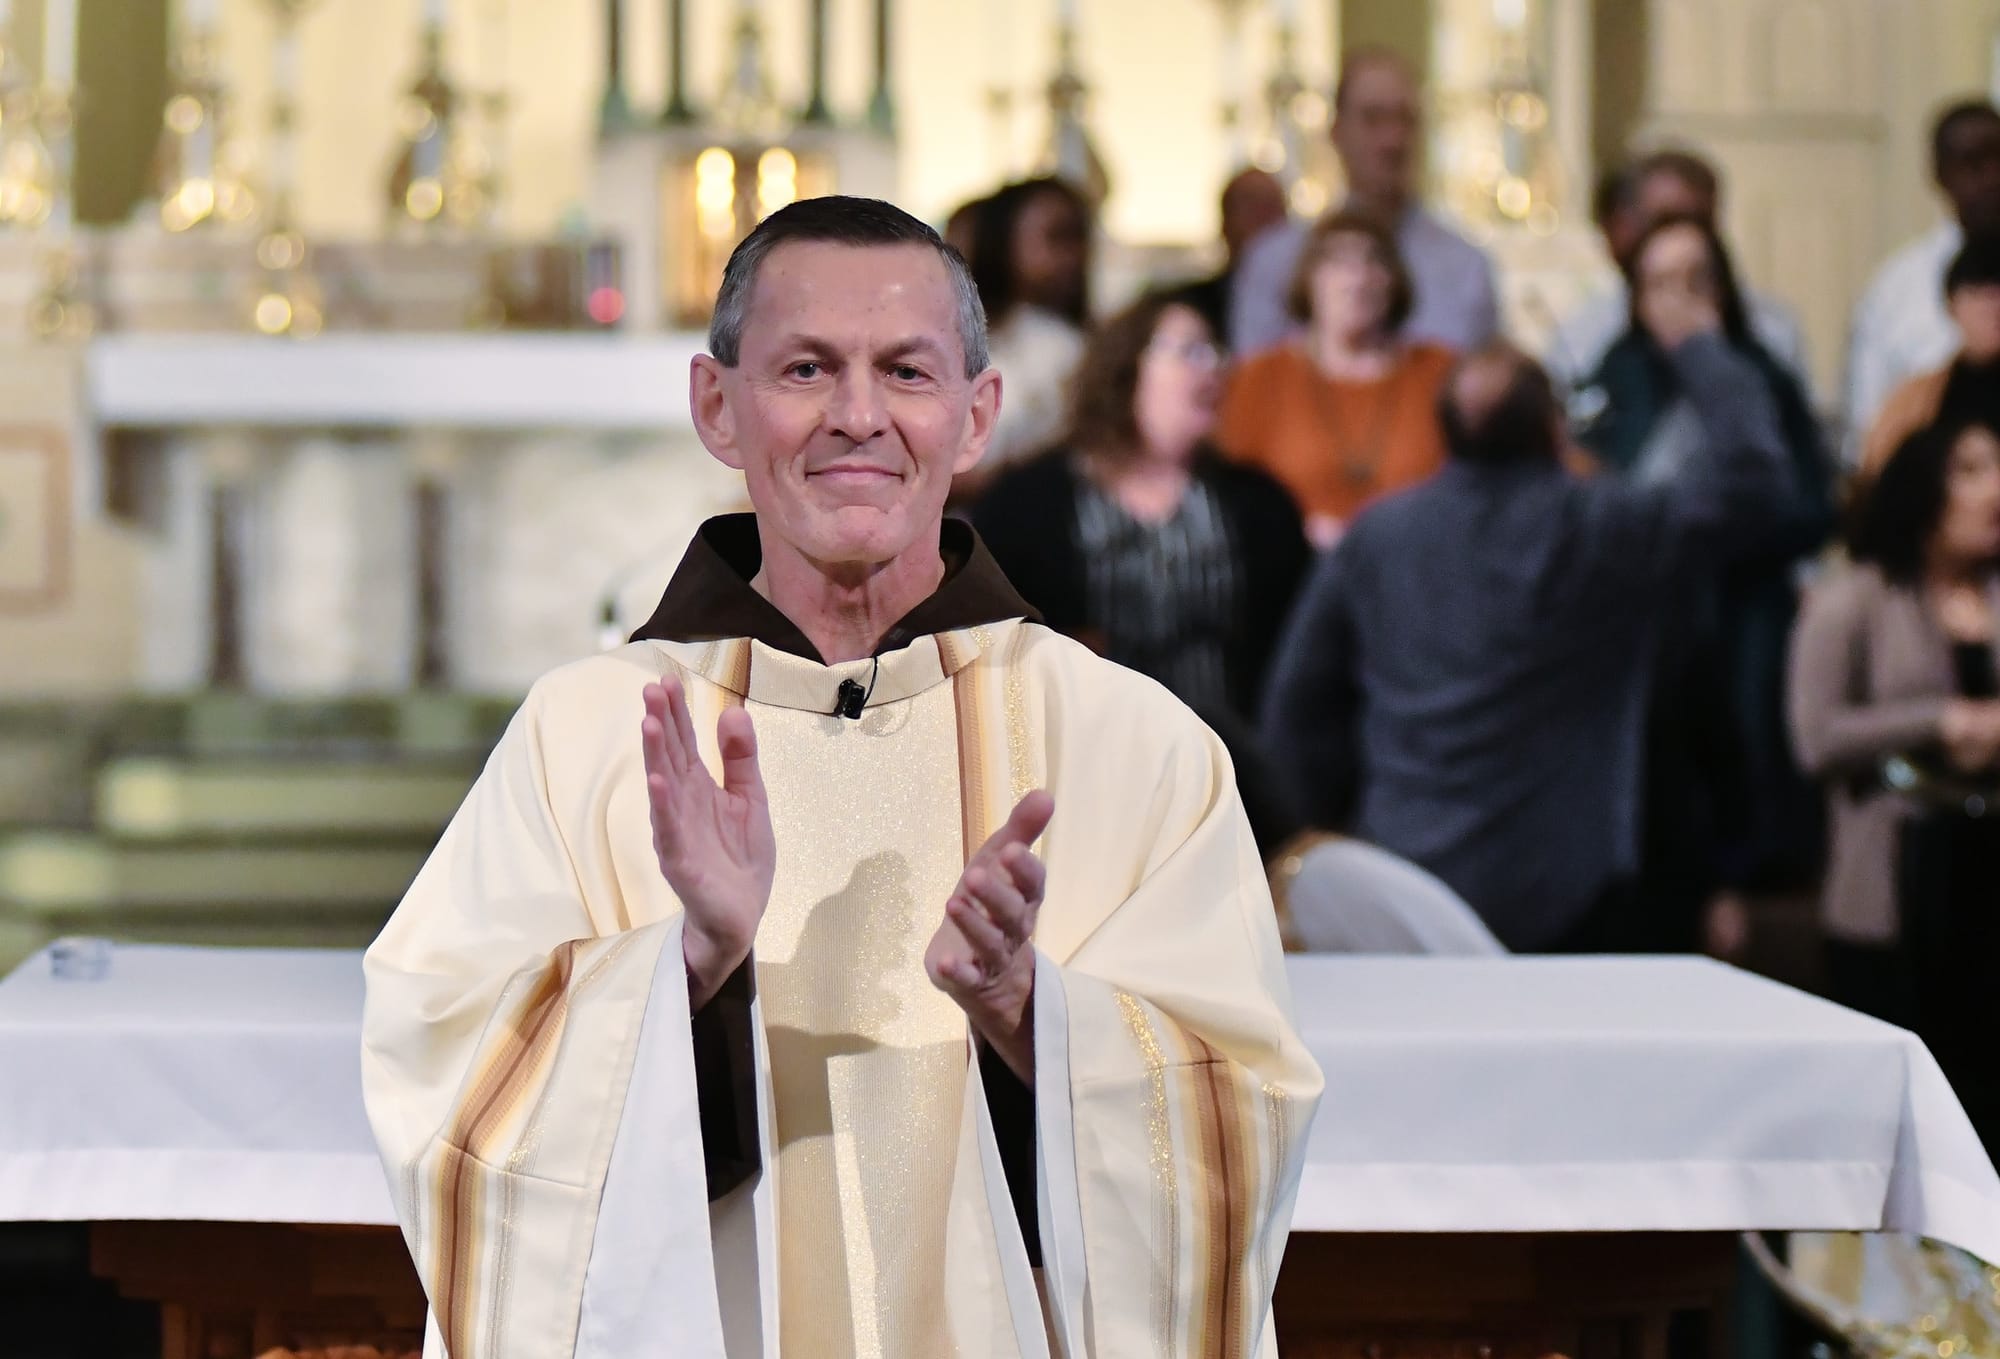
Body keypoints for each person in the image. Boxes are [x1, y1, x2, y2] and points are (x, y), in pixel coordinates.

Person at [360, 196, 1320, 1359]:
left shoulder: (1135, 747)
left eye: (906, 373)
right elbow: (448, 1089)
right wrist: (686, 972)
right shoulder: (589, 735)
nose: (858, 417)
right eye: (806, 368)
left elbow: (1237, 1125)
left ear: (977, 417)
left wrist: (1032, 1017)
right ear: (717, 405)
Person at [1259, 338, 1788, 952]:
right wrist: (1698, 344)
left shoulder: (1376, 535)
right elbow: (1753, 484)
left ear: (1444, 429)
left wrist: (1329, 832)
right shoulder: (1603, 526)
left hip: (1407, 877)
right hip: (1568, 886)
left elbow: (1295, 711)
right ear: (1554, 427)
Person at [1575, 214, 1834, 895]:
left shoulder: (1759, 375)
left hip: (1739, 605)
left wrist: (1720, 534)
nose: (1679, 300)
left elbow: (1810, 505)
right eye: (1660, 282)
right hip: (1639, 617)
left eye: (1697, 280)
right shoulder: (1614, 376)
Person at [1788, 417, 2000, 1149]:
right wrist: (1940, 721)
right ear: (1922, 488)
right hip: (1895, 892)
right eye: (1970, 470)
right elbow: (1814, 737)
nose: (1993, 490)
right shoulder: (1854, 599)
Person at [972, 291, 1311, 723]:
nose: (1214, 367)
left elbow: (1294, 654)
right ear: (1128, 366)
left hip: (1226, 755)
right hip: (1083, 753)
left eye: (1216, 352)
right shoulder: (1031, 501)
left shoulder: (1258, 502)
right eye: (1191, 351)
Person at [1229, 47, 1499, 359]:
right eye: (1373, 119)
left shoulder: (1466, 266)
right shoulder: (1275, 262)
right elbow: (1256, 389)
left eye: (1405, 120)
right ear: (1337, 132)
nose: (1392, 140)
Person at [1215, 209, 1457, 547]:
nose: (1357, 279)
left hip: (1418, 564)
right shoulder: (1261, 377)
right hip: (1294, 570)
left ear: (1394, 279)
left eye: (1373, 261)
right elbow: (1230, 492)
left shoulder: (1440, 373)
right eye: (1338, 261)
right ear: (1309, 278)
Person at [1547, 148, 1810, 392]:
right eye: (1665, 222)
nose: (1682, 237)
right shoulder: (1585, 339)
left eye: (1696, 221)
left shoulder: (1772, 331)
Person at [1846, 100, 2000, 459]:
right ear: (1940, 173)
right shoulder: (1896, 289)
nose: (1994, 177)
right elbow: (1867, 430)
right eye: (1974, 163)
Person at [959, 176, 1093, 490]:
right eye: (1057, 237)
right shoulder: (949, 335)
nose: (1075, 257)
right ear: (1002, 242)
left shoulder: (1067, 346)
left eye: (1079, 238)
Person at [1858, 233, 2000, 478]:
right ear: (1951, 306)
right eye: (1977, 295)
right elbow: (1880, 478)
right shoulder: (1916, 401)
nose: (1991, 308)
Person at [1172, 167, 1290, 350]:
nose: (1263, 217)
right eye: (1251, 205)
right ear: (1225, 224)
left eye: (1272, 206)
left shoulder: (1307, 307)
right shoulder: (1188, 307)